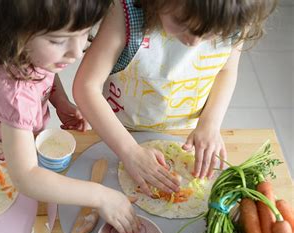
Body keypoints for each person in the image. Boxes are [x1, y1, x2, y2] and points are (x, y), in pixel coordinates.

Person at [0, 0, 140, 233]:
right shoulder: (15, 95)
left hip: (9, 140)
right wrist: (101, 196)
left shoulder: (27, 53)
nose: (76, 52)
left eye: (83, 34)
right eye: (58, 41)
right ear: (15, 34)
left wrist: (60, 102)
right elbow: (27, 176)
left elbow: (45, 74)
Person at [73, 0, 276, 197]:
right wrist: (129, 151)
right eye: (180, 22)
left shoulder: (234, 15)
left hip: (182, 132)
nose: (194, 41)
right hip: (120, 130)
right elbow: (86, 86)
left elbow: (226, 70)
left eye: (210, 34)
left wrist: (209, 124)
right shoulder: (127, 12)